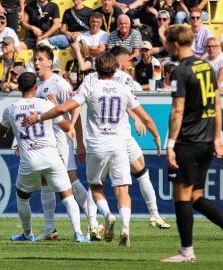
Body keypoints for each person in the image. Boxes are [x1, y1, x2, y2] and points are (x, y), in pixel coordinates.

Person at [22, 52, 162, 247]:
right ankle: (126, 227)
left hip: (96, 145)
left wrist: (38, 117)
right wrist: (156, 136)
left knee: (96, 187)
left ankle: (107, 215)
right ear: (114, 69)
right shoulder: (123, 89)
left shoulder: (90, 86)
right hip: (119, 145)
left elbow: (64, 109)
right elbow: (145, 118)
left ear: (96, 69)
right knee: (123, 190)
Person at [161, 25, 223, 263]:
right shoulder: (206, 67)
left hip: (187, 141)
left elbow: (177, 110)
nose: (166, 48)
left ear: (175, 44)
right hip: (206, 140)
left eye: (167, 43)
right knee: (196, 195)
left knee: (181, 196)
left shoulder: (181, 71)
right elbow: (217, 103)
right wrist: (217, 137)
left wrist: (170, 144)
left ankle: (186, 252)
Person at [82, 46, 170, 229]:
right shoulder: (125, 80)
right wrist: (138, 119)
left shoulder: (90, 79)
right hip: (121, 136)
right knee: (140, 172)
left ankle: (93, 223)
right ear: (119, 62)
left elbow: (78, 105)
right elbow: (127, 101)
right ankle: (153, 215)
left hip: (101, 138)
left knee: (97, 182)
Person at [0, 72, 90, 243]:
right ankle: (78, 233)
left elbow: (1, 132)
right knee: (67, 195)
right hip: (51, 156)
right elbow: (66, 126)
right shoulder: (46, 105)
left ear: (18, 88)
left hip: (29, 160)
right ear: (35, 87)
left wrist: (12, 128)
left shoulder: (11, 108)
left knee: (22, 196)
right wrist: (55, 111)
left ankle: (27, 234)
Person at [31, 44, 90, 242]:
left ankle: (93, 223)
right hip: (43, 143)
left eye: (40, 59)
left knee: (70, 182)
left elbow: (76, 111)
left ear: (50, 62)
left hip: (61, 142)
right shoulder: (34, 86)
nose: (36, 62)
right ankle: (50, 229)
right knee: (44, 181)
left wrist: (80, 143)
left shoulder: (61, 84)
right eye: (34, 59)